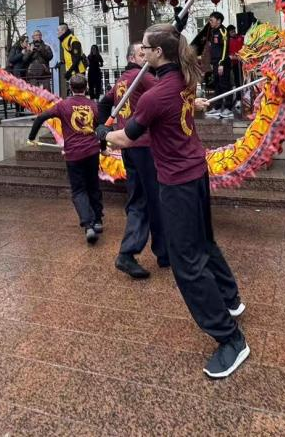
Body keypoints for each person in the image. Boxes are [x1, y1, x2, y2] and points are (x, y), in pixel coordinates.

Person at [99, 23, 249, 379]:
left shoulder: (154, 96)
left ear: (158, 53)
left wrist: (103, 133)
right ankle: (230, 300)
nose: (142, 53)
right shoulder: (184, 78)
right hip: (195, 171)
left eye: (147, 49)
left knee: (187, 263)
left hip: (178, 181)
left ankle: (230, 339)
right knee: (204, 242)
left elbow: (125, 138)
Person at [99, 41, 168, 279]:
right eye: (142, 53)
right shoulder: (143, 77)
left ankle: (157, 252)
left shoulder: (121, 81)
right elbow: (168, 93)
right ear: (132, 57)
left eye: (146, 52)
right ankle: (150, 252)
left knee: (139, 199)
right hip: (145, 146)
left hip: (129, 147)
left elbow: (104, 102)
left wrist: (103, 127)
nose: (146, 56)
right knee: (153, 199)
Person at [28, 74, 103, 243]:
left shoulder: (63, 105)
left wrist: (32, 137)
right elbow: (101, 129)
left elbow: (41, 117)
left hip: (73, 154)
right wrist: (103, 148)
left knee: (78, 190)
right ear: (87, 88)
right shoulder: (93, 105)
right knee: (93, 185)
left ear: (70, 88)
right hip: (92, 151)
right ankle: (98, 220)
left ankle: (88, 225)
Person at [194, 12, 232, 117]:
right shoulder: (213, 31)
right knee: (217, 85)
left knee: (225, 85)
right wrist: (211, 63)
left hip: (222, 63)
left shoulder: (223, 31)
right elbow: (213, 49)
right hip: (215, 63)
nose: (209, 22)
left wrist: (221, 63)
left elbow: (225, 49)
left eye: (212, 20)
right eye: (209, 20)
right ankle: (217, 107)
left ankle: (228, 108)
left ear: (219, 21)